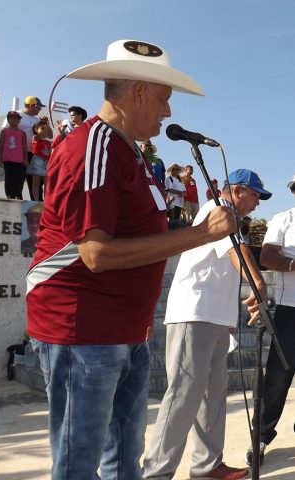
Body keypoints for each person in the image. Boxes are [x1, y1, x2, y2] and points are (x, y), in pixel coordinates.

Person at [26, 39, 237, 480]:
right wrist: (201, 234)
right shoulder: (94, 145)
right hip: (83, 333)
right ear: (139, 91)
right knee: (78, 463)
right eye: (163, 99)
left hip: (122, 332)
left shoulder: (127, 150)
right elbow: (96, 253)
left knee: (124, 460)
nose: (168, 112)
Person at [143, 169, 272, 480]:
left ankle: (207, 466)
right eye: (255, 196)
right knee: (183, 396)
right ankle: (156, 473)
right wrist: (258, 283)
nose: (257, 204)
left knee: (212, 396)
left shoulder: (230, 217)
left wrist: (228, 319)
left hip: (213, 319)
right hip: (194, 315)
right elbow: (234, 252)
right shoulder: (218, 209)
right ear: (239, 190)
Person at [244, 174, 295, 467]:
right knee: (276, 380)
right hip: (290, 311)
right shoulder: (284, 219)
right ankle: (260, 438)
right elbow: (267, 257)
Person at [1, 96, 52, 200]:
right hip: (18, 153)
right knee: (18, 178)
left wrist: (47, 123)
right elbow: (5, 132)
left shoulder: (38, 119)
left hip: (35, 154)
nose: (40, 110)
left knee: (35, 180)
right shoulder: (15, 115)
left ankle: (37, 202)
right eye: (38, 107)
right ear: (31, 106)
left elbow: (49, 136)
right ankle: (16, 200)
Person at [0, 111, 28, 199]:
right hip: (7, 159)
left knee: (18, 177)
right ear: (8, 120)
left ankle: (17, 194)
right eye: (12, 118)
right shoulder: (4, 132)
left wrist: (26, 159)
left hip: (19, 159)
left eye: (16, 118)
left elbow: (24, 148)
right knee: (8, 177)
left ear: (19, 121)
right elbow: (1, 146)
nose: (14, 120)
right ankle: (9, 195)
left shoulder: (22, 133)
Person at [26, 119, 52, 201]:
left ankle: (46, 201)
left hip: (47, 162)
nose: (45, 130)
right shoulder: (35, 138)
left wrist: (48, 127)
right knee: (36, 182)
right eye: (42, 128)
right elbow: (41, 135)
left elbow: (50, 135)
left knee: (47, 184)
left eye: (46, 129)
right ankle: (36, 200)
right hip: (37, 161)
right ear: (36, 130)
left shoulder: (49, 142)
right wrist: (47, 125)